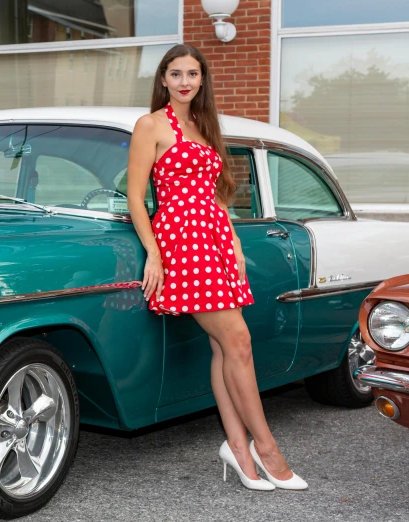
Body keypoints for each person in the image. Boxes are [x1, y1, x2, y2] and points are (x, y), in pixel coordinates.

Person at [126, 44, 307, 491]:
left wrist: (236, 251)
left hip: (216, 243)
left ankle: (238, 449)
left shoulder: (206, 126)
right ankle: (267, 448)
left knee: (223, 348)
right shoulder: (150, 125)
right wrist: (153, 251)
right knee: (238, 341)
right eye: (175, 73)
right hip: (181, 243)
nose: (184, 81)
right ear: (163, 80)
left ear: (202, 79)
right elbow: (135, 197)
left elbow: (217, 197)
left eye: (192, 73)